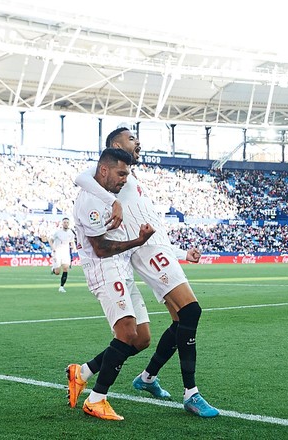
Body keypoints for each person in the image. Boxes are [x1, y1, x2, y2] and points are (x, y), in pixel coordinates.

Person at [75, 127, 219, 418]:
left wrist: (180, 252)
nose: (137, 142)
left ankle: (142, 376)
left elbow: (150, 223)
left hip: (157, 249)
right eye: (131, 139)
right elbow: (80, 178)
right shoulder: (104, 176)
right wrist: (111, 201)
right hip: (143, 252)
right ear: (115, 145)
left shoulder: (127, 176)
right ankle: (190, 393)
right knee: (190, 312)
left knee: (170, 324)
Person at [68, 148, 156, 421]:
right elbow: (101, 248)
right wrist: (137, 242)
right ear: (104, 171)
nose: (124, 180)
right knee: (126, 334)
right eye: (121, 174)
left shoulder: (108, 194)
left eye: (127, 174)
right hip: (104, 270)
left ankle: (81, 373)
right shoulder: (90, 201)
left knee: (141, 339)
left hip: (122, 269)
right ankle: (97, 399)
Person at [49, 217, 76, 293]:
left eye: (67, 222)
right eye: (64, 222)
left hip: (65, 253)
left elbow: (72, 241)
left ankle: (61, 287)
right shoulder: (57, 232)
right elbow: (50, 240)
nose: (66, 224)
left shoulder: (70, 233)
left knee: (66, 268)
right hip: (57, 252)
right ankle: (53, 269)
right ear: (62, 223)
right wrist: (53, 248)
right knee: (57, 272)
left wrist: (74, 247)